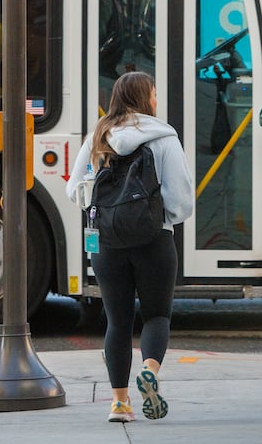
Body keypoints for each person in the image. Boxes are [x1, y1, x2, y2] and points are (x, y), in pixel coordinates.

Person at [66, 72, 194, 423]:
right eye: (153, 94)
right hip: (154, 240)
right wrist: (156, 214)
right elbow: (182, 202)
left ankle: (120, 404)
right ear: (144, 98)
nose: (156, 100)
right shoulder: (164, 137)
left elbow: (74, 189)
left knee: (117, 321)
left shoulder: (99, 135)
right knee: (156, 315)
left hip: (106, 243)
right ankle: (149, 369)